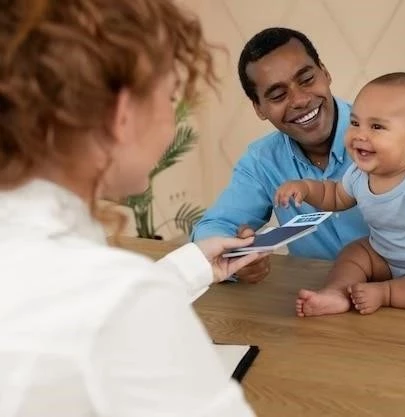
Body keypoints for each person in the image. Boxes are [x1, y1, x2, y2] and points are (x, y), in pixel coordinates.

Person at [0, 0, 263, 415]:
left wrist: (189, 267)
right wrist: (144, 297)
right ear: (121, 115)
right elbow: (105, 316)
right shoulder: (117, 302)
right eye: (171, 98)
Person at [192, 27, 405, 319]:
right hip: (334, 313)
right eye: (278, 94)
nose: (298, 100)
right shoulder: (262, 162)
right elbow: (211, 230)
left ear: (325, 73)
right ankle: (339, 293)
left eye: (307, 79)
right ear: (259, 108)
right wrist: (238, 260)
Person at [275, 72, 405, 316]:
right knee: (355, 253)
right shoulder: (357, 174)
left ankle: (386, 293)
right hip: (385, 256)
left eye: (376, 126)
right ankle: (337, 292)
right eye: (355, 123)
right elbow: (333, 196)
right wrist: (305, 188)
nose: (360, 134)